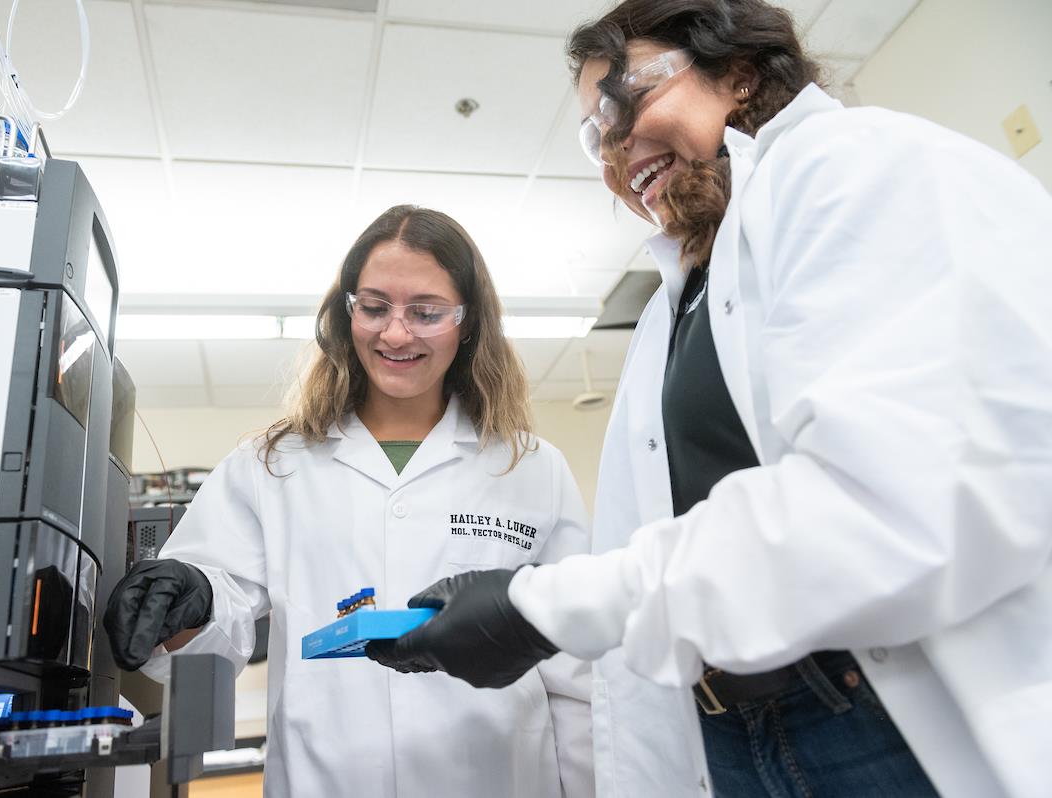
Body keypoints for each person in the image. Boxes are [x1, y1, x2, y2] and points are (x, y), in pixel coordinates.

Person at [366, 2, 1052, 797]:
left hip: (873, 723)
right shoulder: (675, 308)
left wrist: (537, 608)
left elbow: (892, 500)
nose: (616, 150)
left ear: (739, 70)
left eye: (626, 102)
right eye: (595, 136)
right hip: (729, 732)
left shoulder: (856, 166)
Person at [103, 205, 595, 797]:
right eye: (375, 306)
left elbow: (576, 668)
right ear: (347, 313)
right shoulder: (275, 463)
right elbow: (220, 615)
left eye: (426, 312)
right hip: (326, 779)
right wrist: (193, 597)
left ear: (467, 323)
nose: (395, 333)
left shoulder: (530, 467)